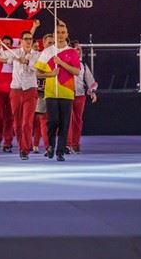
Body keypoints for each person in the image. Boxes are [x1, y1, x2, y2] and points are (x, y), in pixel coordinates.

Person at [34, 21, 80, 161]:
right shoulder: (47, 52)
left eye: (63, 33)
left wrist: (61, 63)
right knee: (53, 121)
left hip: (67, 92)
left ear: (67, 34)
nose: (60, 35)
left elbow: (76, 71)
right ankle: (50, 146)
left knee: (64, 123)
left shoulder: (72, 52)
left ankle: (60, 151)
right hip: (51, 92)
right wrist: (50, 74)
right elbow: (37, 73)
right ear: (54, 35)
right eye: (58, 33)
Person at [0, 30, 40, 160]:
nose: (29, 41)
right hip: (16, 91)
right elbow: (2, 57)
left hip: (30, 91)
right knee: (17, 123)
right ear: (21, 41)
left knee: (26, 123)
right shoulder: (15, 53)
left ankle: (25, 150)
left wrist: (27, 62)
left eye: (30, 39)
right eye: (26, 39)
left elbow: (38, 68)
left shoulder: (37, 54)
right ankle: (21, 146)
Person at [67, 41, 97, 154]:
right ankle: (67, 144)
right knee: (67, 120)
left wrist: (92, 92)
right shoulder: (65, 63)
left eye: (79, 49)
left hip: (80, 95)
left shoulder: (83, 65)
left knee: (77, 120)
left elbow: (89, 80)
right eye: (76, 48)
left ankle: (75, 144)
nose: (78, 51)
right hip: (66, 94)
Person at [32, 34, 53, 153]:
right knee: (43, 120)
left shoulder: (57, 57)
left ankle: (37, 144)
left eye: (53, 43)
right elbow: (35, 74)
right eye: (49, 43)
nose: (51, 45)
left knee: (50, 121)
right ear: (43, 44)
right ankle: (46, 146)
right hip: (41, 93)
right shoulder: (38, 57)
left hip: (55, 93)